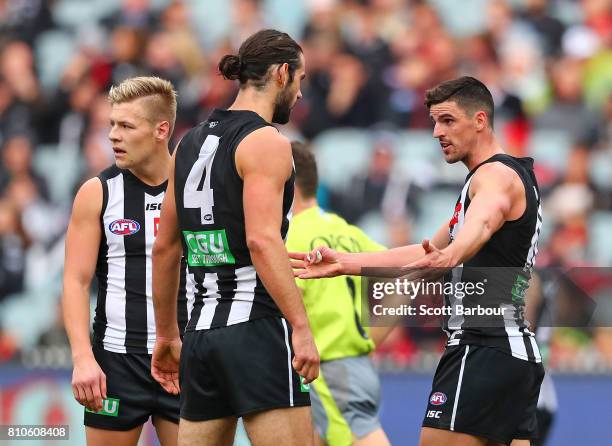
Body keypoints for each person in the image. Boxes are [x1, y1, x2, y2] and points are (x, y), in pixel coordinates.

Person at [291, 76, 545, 446]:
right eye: (434, 122)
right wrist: (343, 262)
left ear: (479, 120)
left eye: (447, 121)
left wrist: (455, 253)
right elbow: (422, 252)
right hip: (512, 351)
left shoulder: (496, 177)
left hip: (483, 348)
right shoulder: (495, 177)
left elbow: (484, 221)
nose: (436, 132)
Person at [151, 29, 319, 446]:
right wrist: (300, 326)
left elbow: (164, 247)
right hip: (256, 328)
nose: (299, 94)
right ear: (282, 74)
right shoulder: (265, 142)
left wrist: (167, 334)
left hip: (201, 335)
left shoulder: (188, 141)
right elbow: (262, 241)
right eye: (300, 80)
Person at [62, 76, 187, 446]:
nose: (113, 135)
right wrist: (83, 358)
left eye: (126, 126)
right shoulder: (97, 192)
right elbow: (75, 281)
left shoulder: (195, 191)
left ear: (161, 130)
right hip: (115, 362)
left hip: (185, 359)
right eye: (112, 125)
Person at [286, 141, 391, 446]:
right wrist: (374, 338)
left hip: (329, 364)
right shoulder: (346, 229)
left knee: (361, 437)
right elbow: (403, 277)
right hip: (352, 362)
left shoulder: (290, 236)